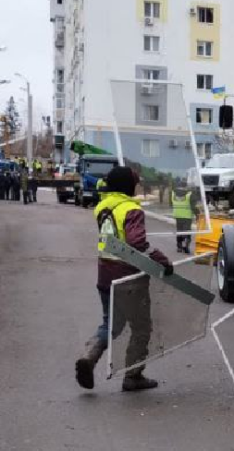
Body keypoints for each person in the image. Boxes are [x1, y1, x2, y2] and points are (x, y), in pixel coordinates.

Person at [74, 166, 173, 392]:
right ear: (128, 186)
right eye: (134, 183)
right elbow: (136, 244)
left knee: (111, 324)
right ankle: (133, 376)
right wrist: (162, 261)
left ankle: (89, 356)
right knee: (141, 327)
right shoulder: (131, 210)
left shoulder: (103, 207)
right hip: (128, 279)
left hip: (105, 277)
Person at [171, 181, 201, 254]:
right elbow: (193, 206)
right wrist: (197, 214)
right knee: (187, 231)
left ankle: (179, 246)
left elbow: (172, 203)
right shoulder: (189, 194)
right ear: (185, 187)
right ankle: (186, 246)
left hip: (177, 215)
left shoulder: (173, 193)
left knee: (179, 230)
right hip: (187, 216)